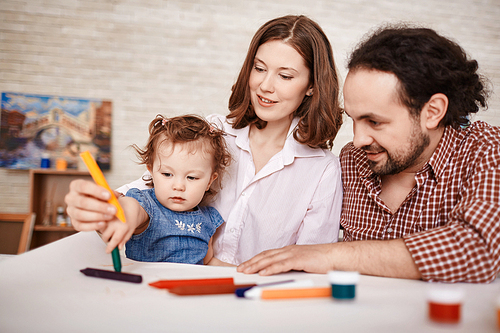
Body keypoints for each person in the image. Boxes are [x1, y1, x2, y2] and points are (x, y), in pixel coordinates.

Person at [65, 15, 344, 265]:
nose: (265, 86)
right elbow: (146, 194)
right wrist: (108, 209)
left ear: (311, 86)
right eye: (259, 69)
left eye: (285, 75)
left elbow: (311, 263)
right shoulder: (214, 133)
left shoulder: (321, 170)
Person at [238, 24, 500, 283]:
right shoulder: (353, 161)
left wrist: (328, 256)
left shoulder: (485, 150)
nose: (357, 140)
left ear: (432, 112)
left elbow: (479, 249)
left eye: (374, 122)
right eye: (354, 119)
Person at [99, 114, 231, 265]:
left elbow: (208, 262)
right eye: (167, 174)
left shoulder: (208, 220)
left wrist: (247, 273)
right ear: (151, 172)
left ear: (209, 181)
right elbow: (132, 208)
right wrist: (124, 215)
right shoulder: (147, 207)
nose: (179, 186)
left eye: (192, 177)